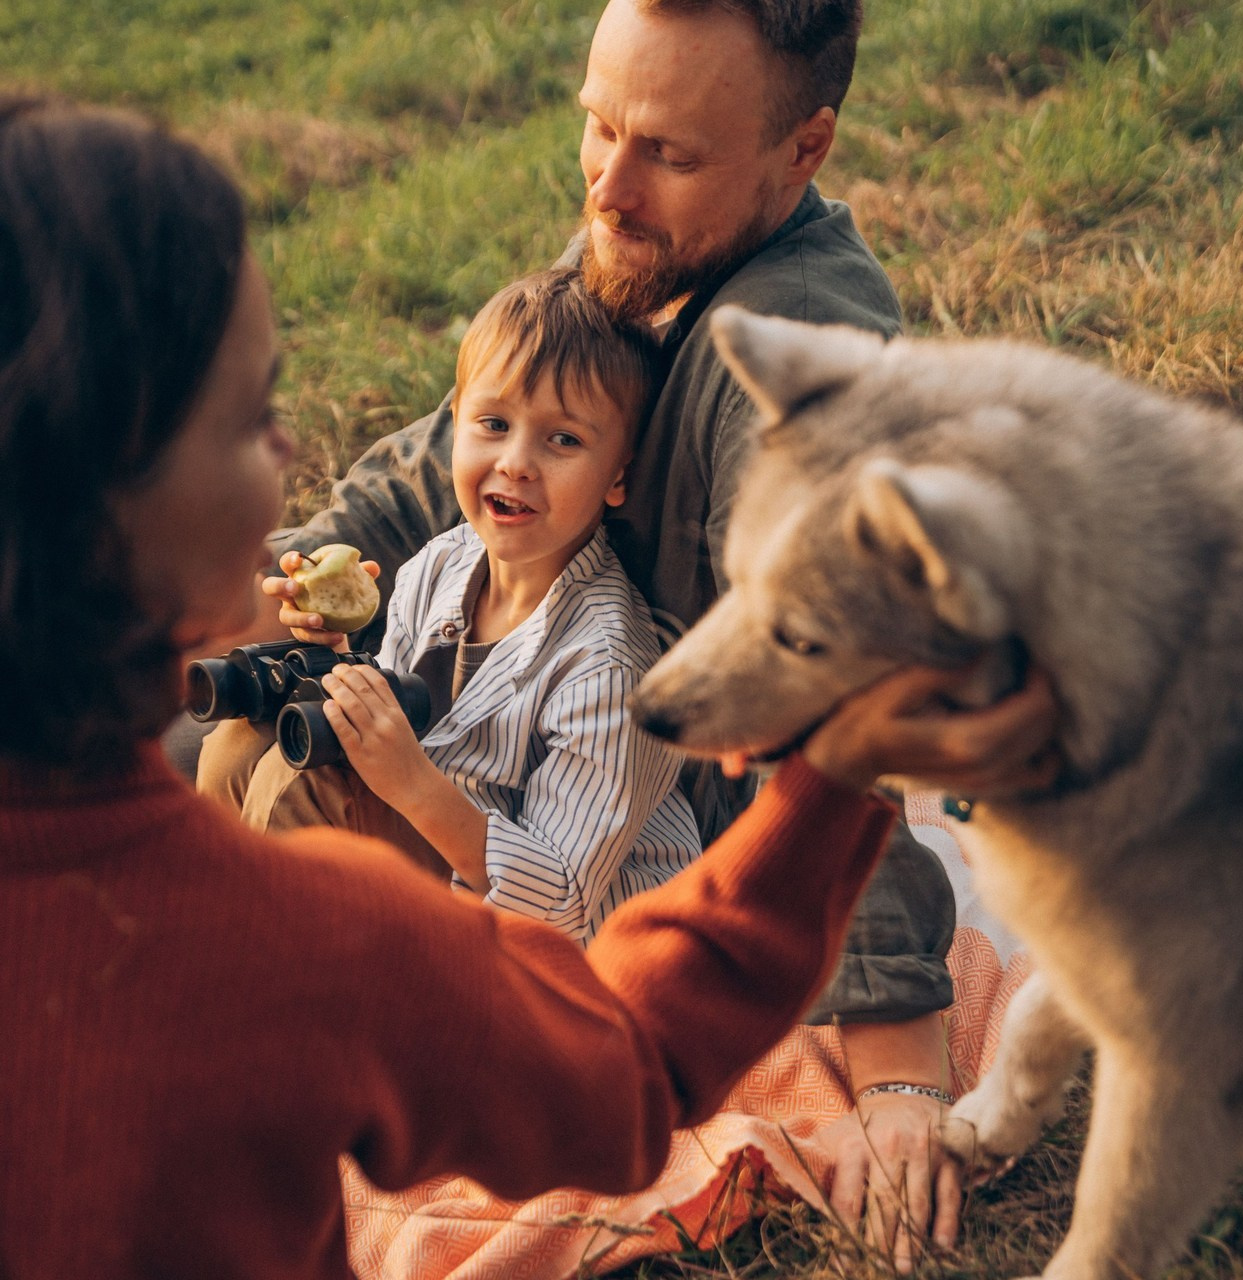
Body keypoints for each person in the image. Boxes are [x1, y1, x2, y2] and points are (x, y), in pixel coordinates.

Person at [0, 96, 1059, 1279]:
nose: (296, 457)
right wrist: (825, 791)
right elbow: (627, 1071)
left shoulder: (585, 644)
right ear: (123, 504)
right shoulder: (317, 938)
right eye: (256, 420)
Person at [203, 269, 704, 944]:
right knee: (239, 746)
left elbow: (559, 897)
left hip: (563, 952)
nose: (516, 463)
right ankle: (218, 934)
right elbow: (399, 710)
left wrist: (413, 785)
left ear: (619, 475)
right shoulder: (441, 563)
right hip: (438, 870)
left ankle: (272, 990)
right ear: (457, 425)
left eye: (563, 440)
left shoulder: (611, 667)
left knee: (308, 788)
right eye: (494, 424)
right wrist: (332, 666)